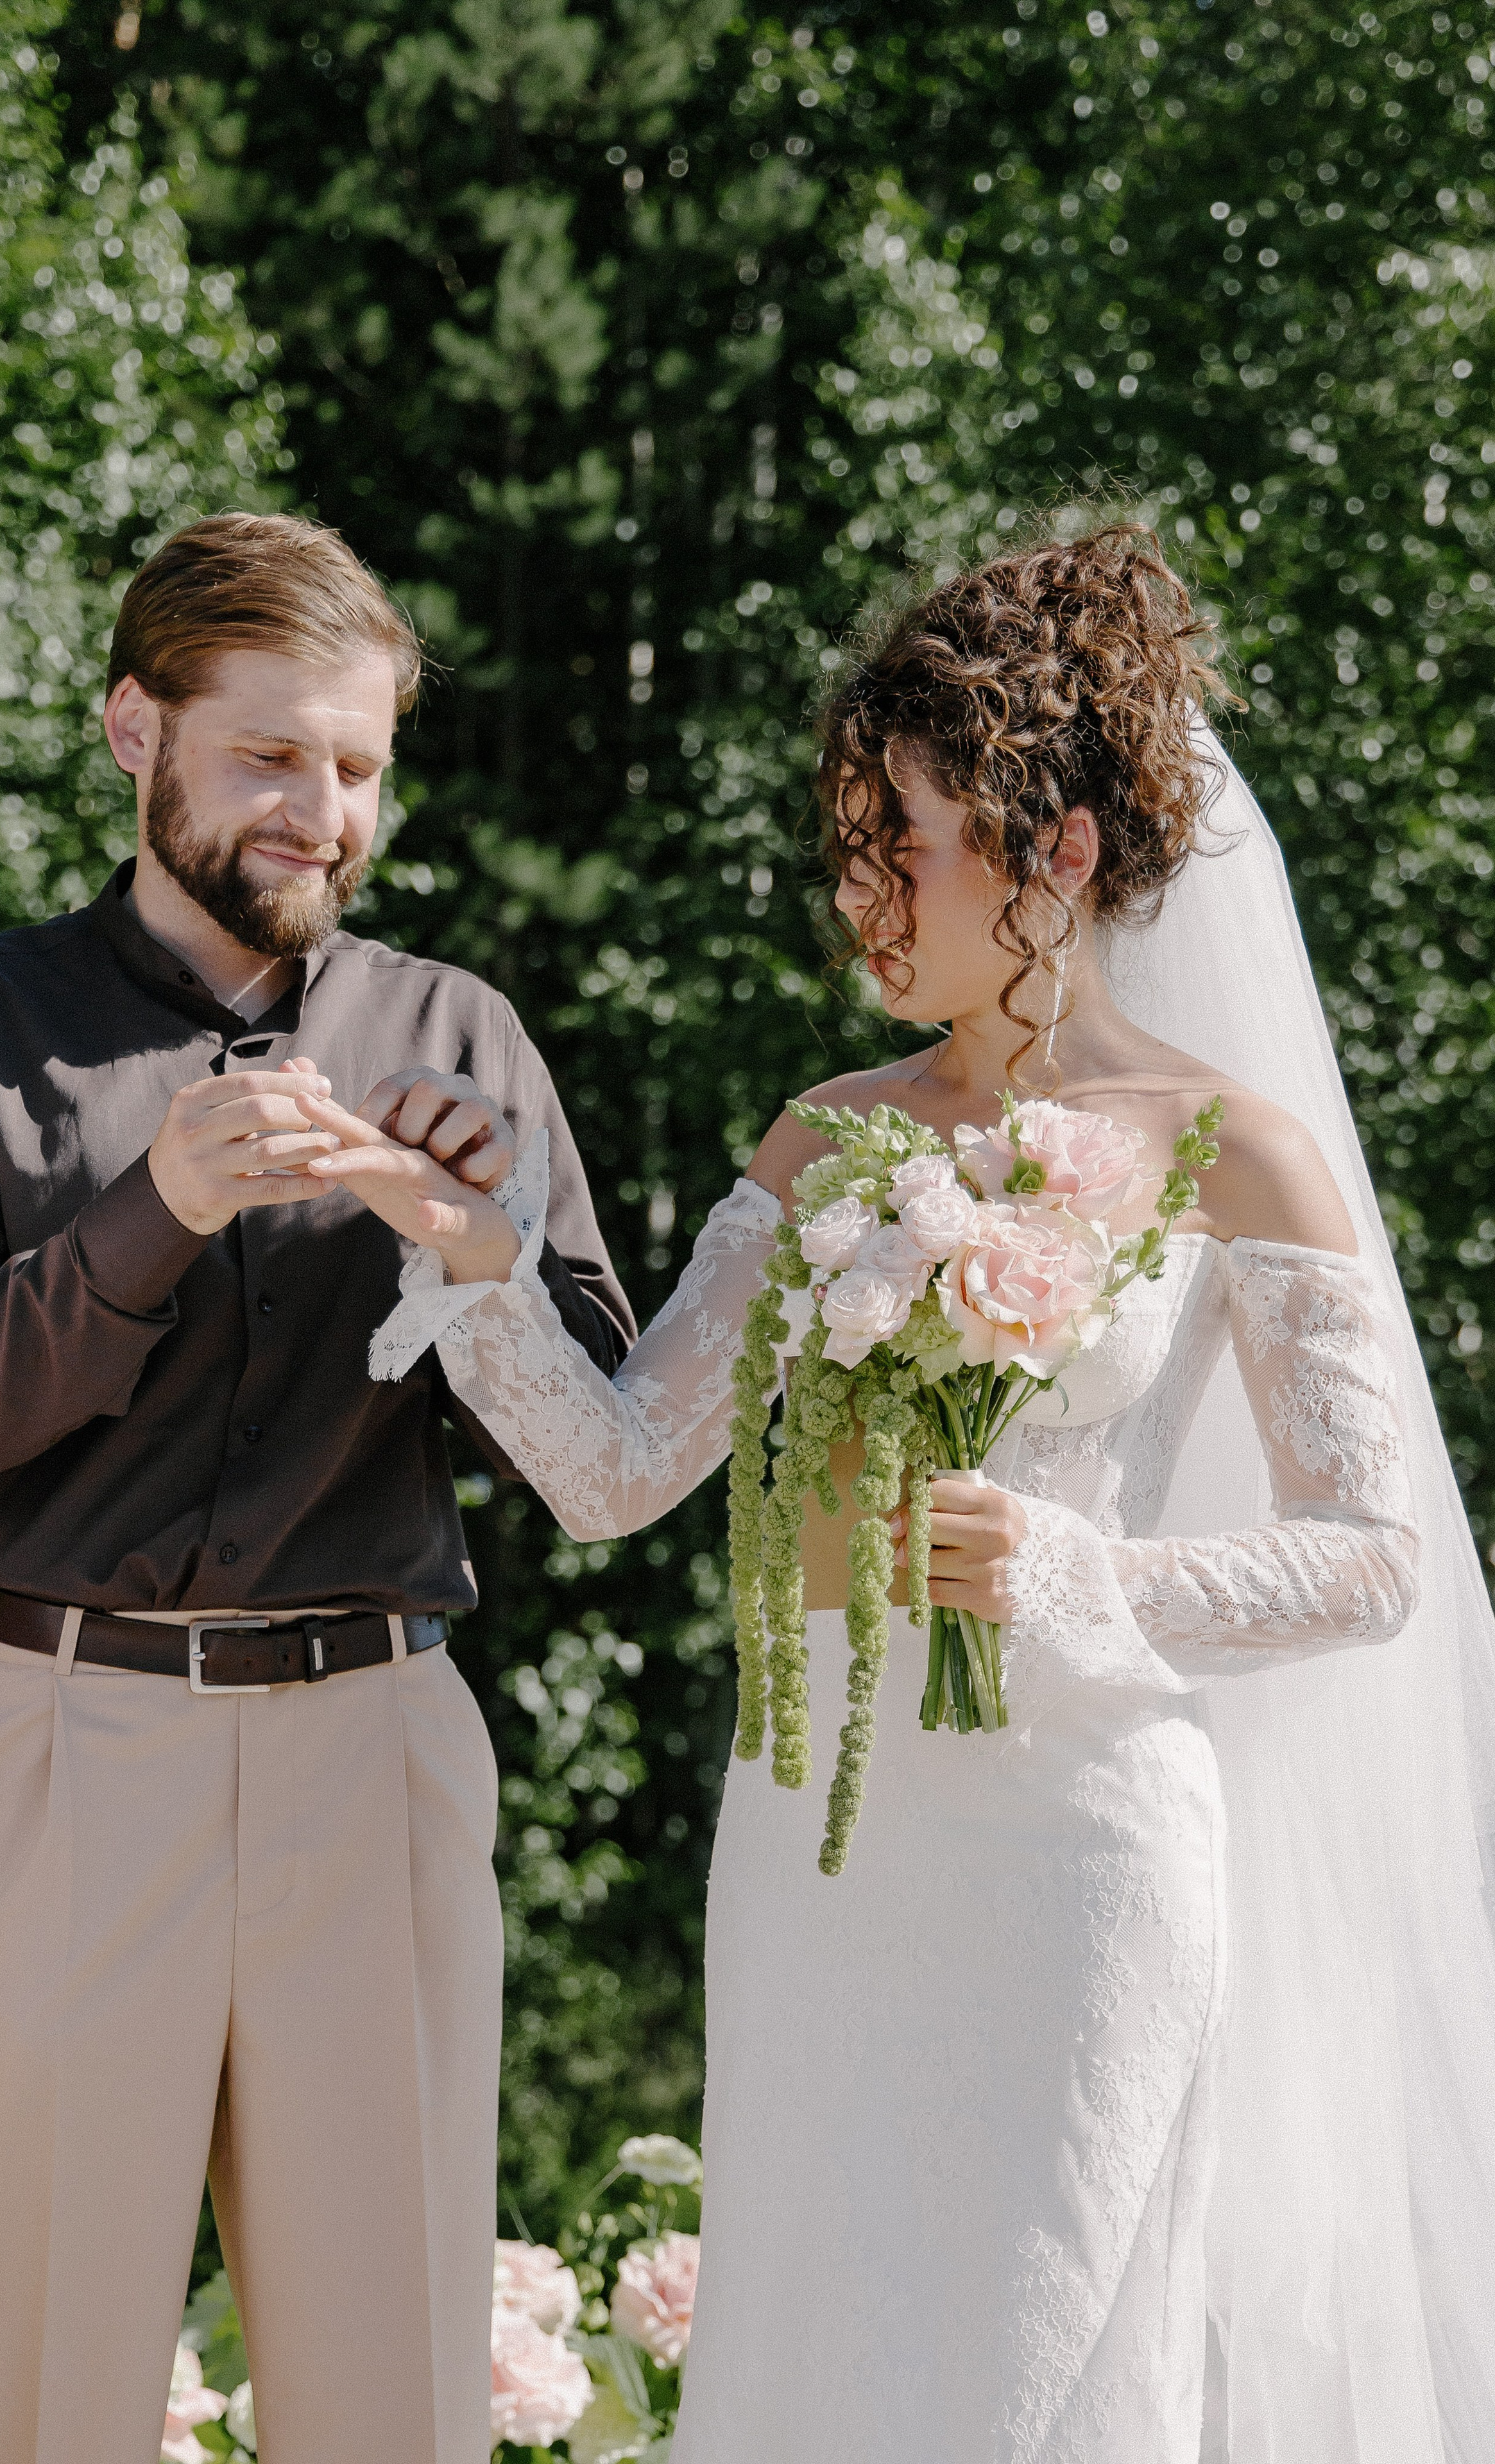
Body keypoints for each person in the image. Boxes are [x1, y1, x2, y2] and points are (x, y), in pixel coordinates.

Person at [297, 523, 1495, 2460]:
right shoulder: (824, 1141)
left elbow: (1372, 1560)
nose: (862, 891)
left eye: (907, 840)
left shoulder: (1236, 1150)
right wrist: (463, 1249)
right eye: (851, 840)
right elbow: (614, 1469)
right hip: (823, 1840)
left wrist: (1084, 1572)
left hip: (1087, 1845)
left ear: (1065, 853)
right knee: (820, 2361)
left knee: (1046, 2375)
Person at [0, 511, 633, 2464]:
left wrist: (478, 1247)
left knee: (389, 2401)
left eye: (358, 766)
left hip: (372, 1758)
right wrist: (162, 1205)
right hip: (55, 1750)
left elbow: (601, 1429)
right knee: (19, 2400)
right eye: (274, 752)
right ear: (137, 729)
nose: (325, 810)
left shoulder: (463, 1039)